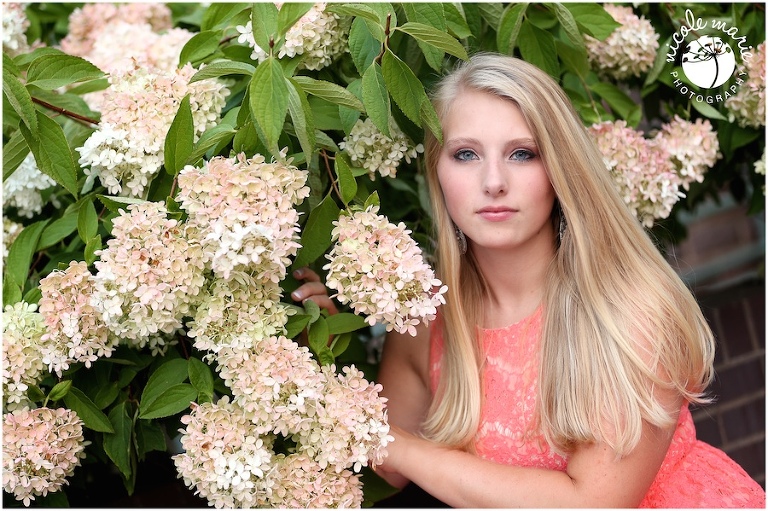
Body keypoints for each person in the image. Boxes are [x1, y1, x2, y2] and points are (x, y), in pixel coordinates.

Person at [292, 53, 766, 507]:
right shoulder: (425, 317)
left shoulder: (628, 311)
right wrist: (324, 351)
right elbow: (386, 475)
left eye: (521, 154)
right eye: (465, 154)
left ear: (559, 167)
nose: (493, 181)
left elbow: (593, 503)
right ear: (437, 172)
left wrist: (400, 449)